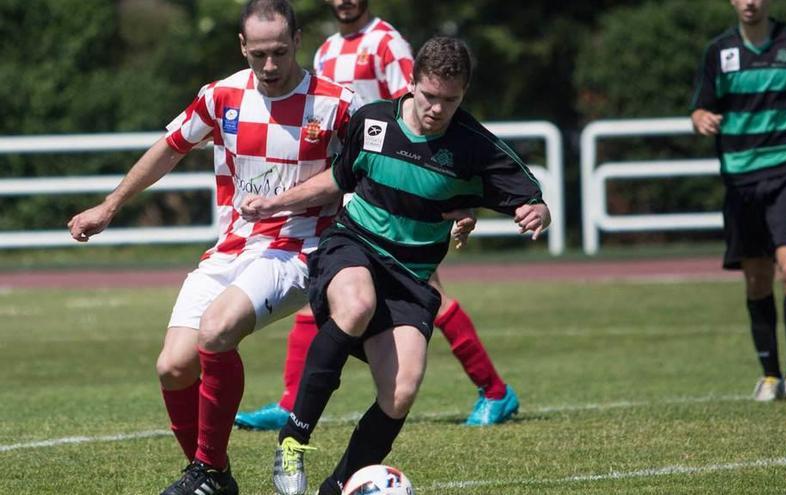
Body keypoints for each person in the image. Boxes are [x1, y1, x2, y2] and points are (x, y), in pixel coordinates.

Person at [67, 1, 358, 493]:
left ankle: (202, 471)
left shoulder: (336, 103)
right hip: (231, 248)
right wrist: (111, 205)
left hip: (298, 248)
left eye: (280, 53)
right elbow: (170, 147)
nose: (269, 66)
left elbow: (359, 170)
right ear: (242, 46)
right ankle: (216, 476)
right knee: (174, 365)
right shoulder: (221, 95)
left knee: (218, 329)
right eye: (259, 54)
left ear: (299, 41)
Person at [240, 36, 551, 495]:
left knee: (401, 391)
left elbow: (529, 195)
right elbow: (338, 179)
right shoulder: (372, 122)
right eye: (429, 96)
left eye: (451, 99)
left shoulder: (474, 147)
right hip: (352, 247)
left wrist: (536, 211)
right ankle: (293, 440)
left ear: (463, 94)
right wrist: (274, 205)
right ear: (410, 83)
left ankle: (337, 488)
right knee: (358, 302)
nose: (437, 109)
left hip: (411, 280)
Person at [690, 0, 786, 402]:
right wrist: (700, 118)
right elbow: (701, 107)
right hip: (740, 178)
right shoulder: (719, 51)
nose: (750, 2)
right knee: (756, 276)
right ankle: (769, 374)